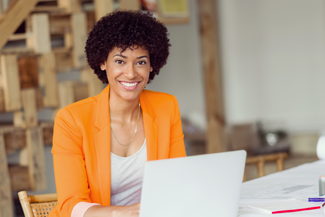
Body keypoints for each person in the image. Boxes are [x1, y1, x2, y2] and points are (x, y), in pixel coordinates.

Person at [49, 10, 187, 217]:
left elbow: (178, 180)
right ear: (103, 63)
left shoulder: (166, 106)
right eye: (120, 61)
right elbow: (71, 205)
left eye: (140, 62)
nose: (131, 73)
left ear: (152, 66)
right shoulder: (71, 120)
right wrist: (123, 213)